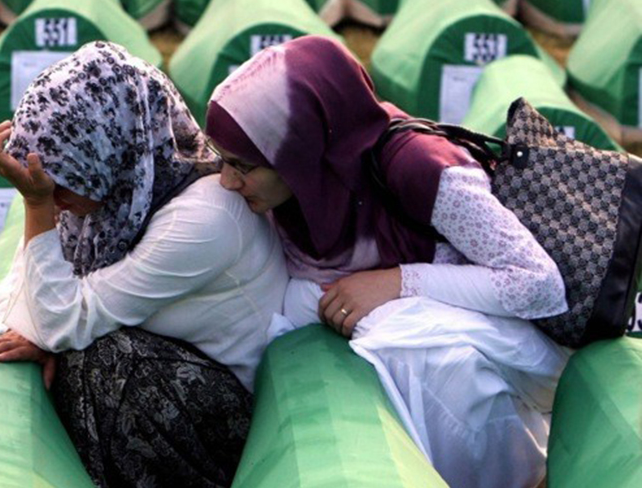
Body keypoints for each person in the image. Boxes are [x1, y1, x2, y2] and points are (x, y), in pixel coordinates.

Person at [204, 36, 569, 488]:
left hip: (512, 340)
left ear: (298, 150)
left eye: (242, 165)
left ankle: (515, 475)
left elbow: (539, 284)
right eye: (222, 160)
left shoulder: (420, 168)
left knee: (402, 340)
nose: (225, 181)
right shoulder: (303, 191)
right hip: (451, 322)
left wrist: (397, 282)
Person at [0, 42, 288, 488]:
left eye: (63, 183)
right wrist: (44, 332)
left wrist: (37, 205)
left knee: (105, 360)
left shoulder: (204, 219)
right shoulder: (113, 205)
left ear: (108, 151)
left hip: (239, 418)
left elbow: (57, 321)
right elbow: (7, 300)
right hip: (180, 378)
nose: (57, 201)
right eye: (42, 183)